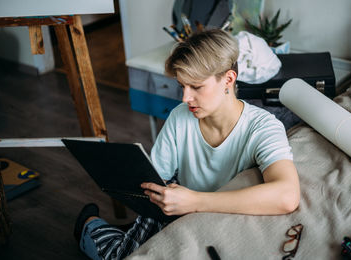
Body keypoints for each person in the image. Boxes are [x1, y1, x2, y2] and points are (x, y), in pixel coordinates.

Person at [73, 28, 300, 260]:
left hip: (207, 211)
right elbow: (157, 177)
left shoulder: (263, 127)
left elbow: (287, 196)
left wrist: (195, 201)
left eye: (196, 87)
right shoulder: (181, 116)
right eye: (182, 86)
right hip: (179, 207)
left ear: (228, 80)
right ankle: (90, 225)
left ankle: (104, 230)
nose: (185, 98)